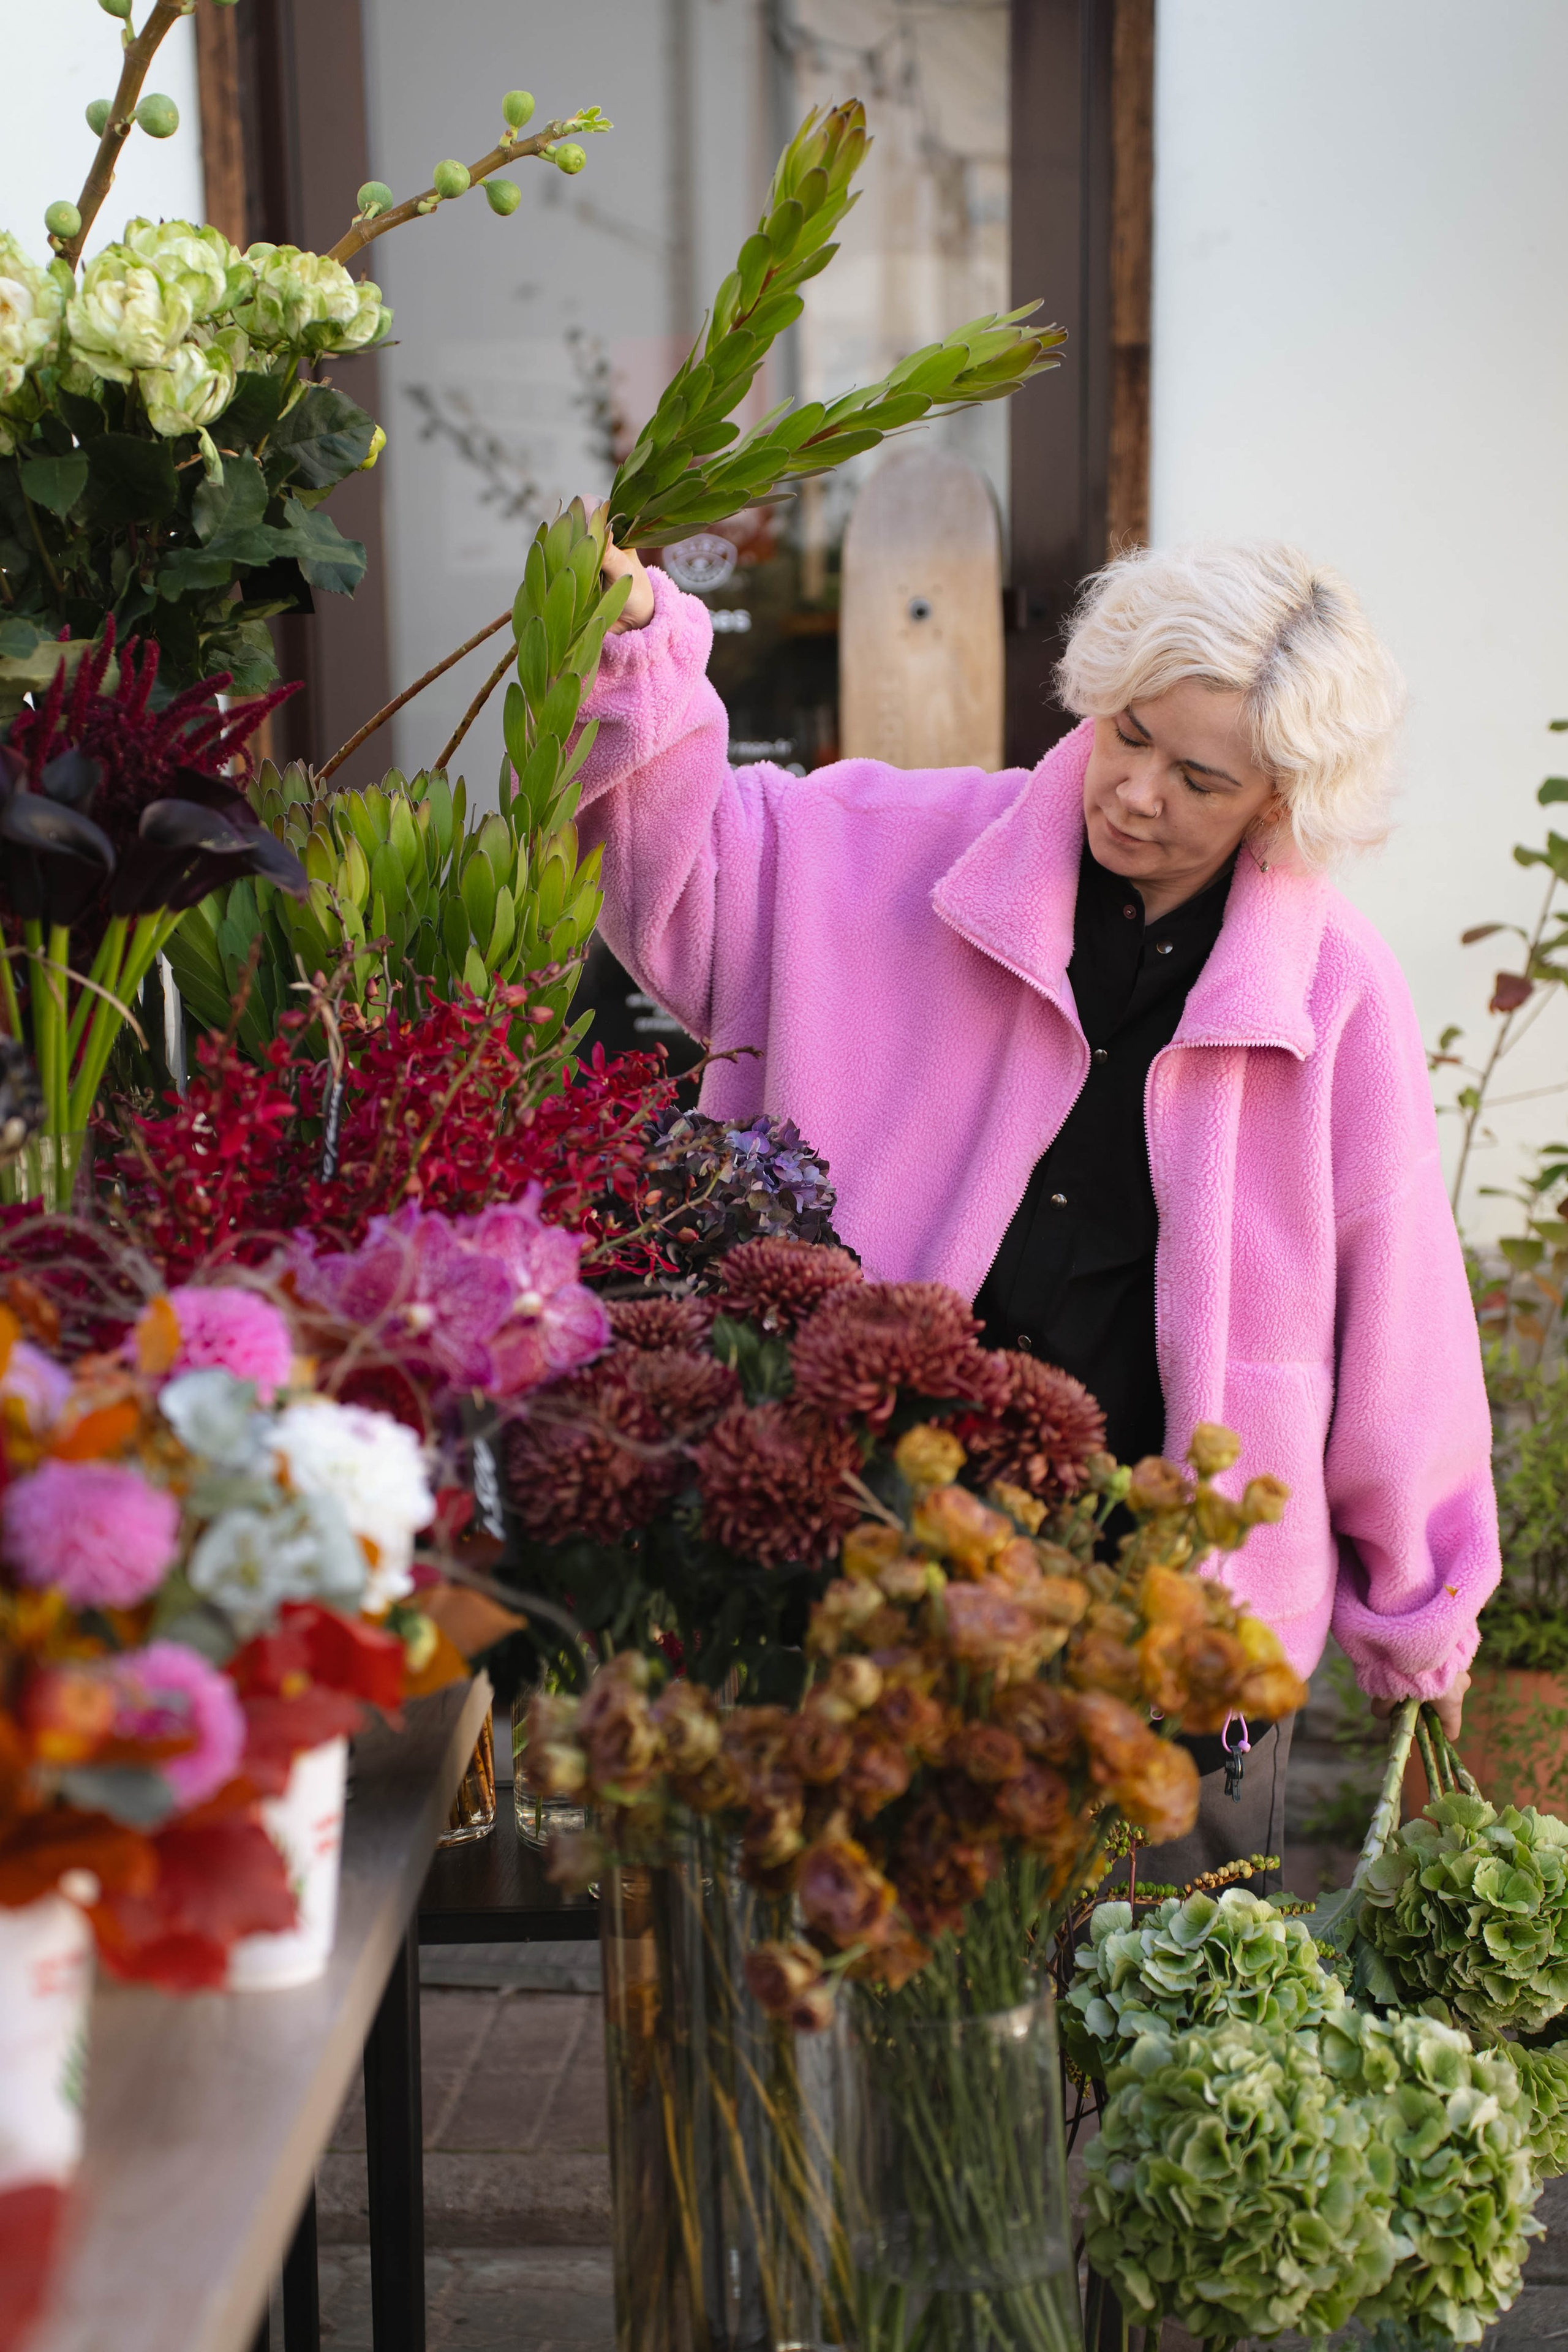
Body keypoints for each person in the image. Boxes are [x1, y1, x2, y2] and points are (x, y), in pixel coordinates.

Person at [577, 532, 1499, 1882]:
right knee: (861, 1961)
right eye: (1129, 735)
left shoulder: (1333, 991)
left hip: (1170, 1624)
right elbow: (675, 879)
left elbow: (1399, 1312)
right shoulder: (885, 851)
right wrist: (637, 652)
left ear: (1281, 800)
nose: (1137, 794)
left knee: (1153, 1981)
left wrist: (1423, 1611)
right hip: (865, 1572)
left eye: (1200, 780)